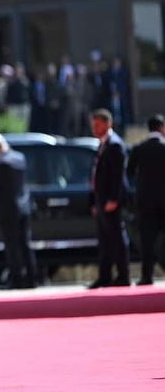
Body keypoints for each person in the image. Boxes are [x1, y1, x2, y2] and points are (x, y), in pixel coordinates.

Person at [0, 132, 37, 289]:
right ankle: (32, 277)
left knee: (12, 246)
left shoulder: (1, 163)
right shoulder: (19, 158)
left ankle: (17, 279)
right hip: (23, 207)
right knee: (25, 244)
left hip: (8, 210)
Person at [87, 109, 130, 289]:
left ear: (107, 124)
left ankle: (123, 275)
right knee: (104, 240)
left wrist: (114, 198)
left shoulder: (115, 145)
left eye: (98, 125)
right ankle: (104, 276)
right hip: (101, 200)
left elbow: (118, 176)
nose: (95, 129)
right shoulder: (102, 145)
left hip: (111, 202)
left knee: (116, 239)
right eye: (93, 125)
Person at [125, 114, 165, 286]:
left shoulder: (139, 149)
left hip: (145, 201)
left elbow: (129, 173)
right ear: (161, 128)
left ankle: (146, 275)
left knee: (147, 240)